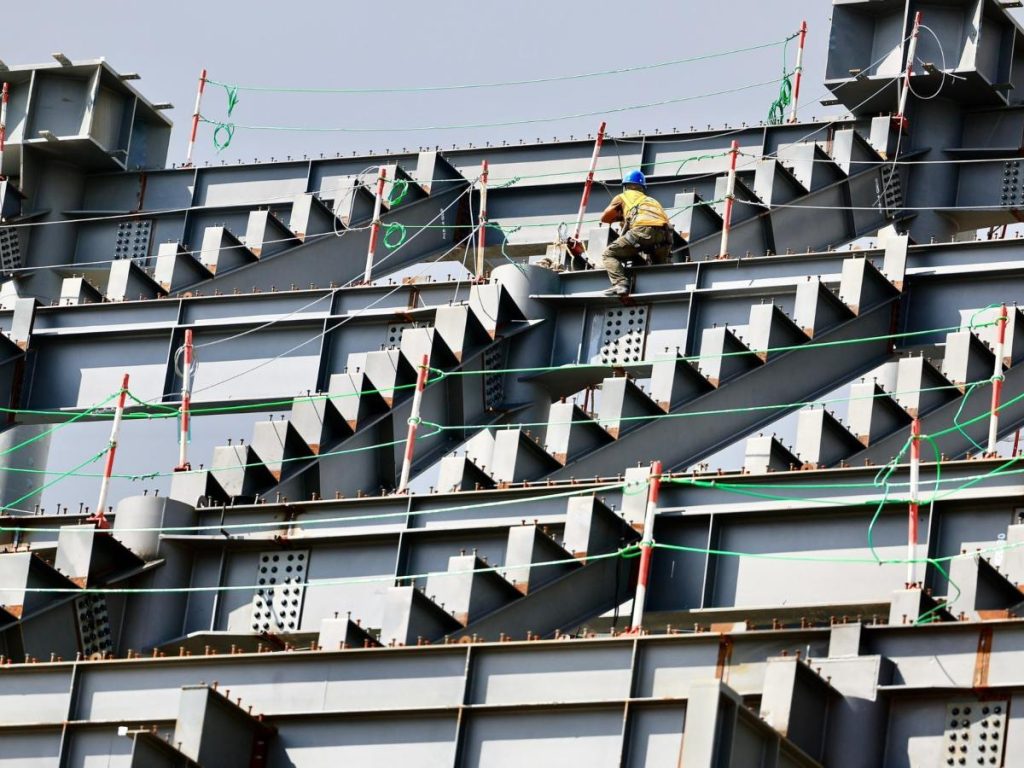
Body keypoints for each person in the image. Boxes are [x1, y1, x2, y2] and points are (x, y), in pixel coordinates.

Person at [598, 170, 673, 296]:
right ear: (642, 187)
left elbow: (605, 218)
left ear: (625, 186)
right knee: (658, 270)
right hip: (665, 237)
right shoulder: (651, 200)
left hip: (642, 231)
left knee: (609, 254)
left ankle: (620, 284)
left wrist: (621, 215)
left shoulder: (623, 196)